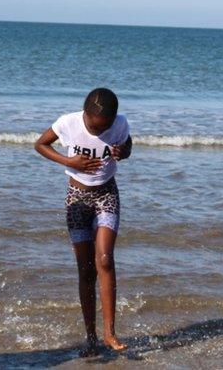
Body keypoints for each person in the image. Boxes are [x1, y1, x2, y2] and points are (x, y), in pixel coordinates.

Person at [34, 88, 132, 356]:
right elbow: (40, 144)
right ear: (85, 115)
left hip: (106, 194)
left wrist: (123, 151)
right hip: (77, 197)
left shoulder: (120, 123)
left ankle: (110, 332)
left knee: (104, 259)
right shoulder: (68, 122)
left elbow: (128, 145)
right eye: (95, 127)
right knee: (86, 270)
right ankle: (91, 338)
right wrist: (69, 161)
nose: (101, 132)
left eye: (106, 127)